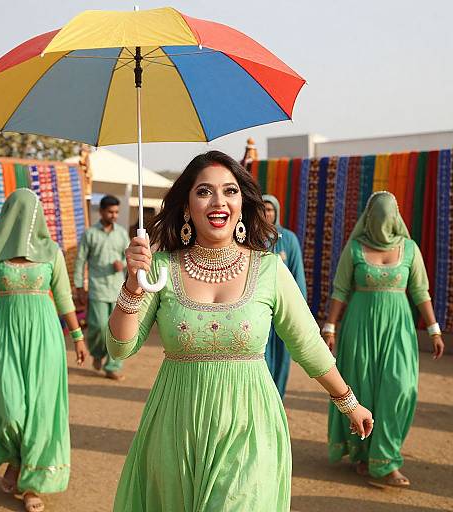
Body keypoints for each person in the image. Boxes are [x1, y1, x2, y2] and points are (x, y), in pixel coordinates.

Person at [106, 151, 373, 511]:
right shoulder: (160, 268)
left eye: (229, 191)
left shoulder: (268, 269)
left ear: (242, 203)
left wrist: (348, 401)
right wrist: (133, 287)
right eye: (204, 192)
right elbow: (121, 348)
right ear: (186, 205)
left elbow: (307, 342)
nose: (219, 202)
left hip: (250, 424)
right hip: (175, 426)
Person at [0, 188, 87, 512]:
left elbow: (63, 298)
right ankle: (15, 459)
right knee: (10, 406)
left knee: (42, 410)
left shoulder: (53, 253)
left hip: (45, 338)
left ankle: (32, 483)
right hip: (5, 335)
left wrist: (77, 336)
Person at [324, 191, 445, 488]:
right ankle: (365, 455)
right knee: (362, 388)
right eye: (378, 214)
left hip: (399, 329)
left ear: (396, 217)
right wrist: (330, 327)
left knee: (400, 388)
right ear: (368, 217)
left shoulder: (410, 249)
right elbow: (340, 290)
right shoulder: (354, 248)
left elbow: (420, 292)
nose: (383, 220)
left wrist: (434, 330)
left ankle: (387, 459)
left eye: (389, 214)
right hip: (360, 329)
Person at [74, 195, 129, 380]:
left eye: (116, 212)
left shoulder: (122, 233)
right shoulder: (90, 234)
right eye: (110, 212)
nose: (114, 215)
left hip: (118, 290)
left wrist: (123, 263)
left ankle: (112, 366)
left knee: (118, 331)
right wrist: (79, 286)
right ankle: (97, 354)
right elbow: (81, 260)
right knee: (98, 326)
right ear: (102, 211)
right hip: (97, 289)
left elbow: (129, 256)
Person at [262, 194, 306, 399]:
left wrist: (300, 314)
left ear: (277, 212)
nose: (266, 213)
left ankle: (275, 402)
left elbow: (297, 276)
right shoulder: (248, 237)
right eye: (263, 208)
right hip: (258, 312)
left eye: (270, 209)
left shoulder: (289, 239)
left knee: (280, 361)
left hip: (282, 312)